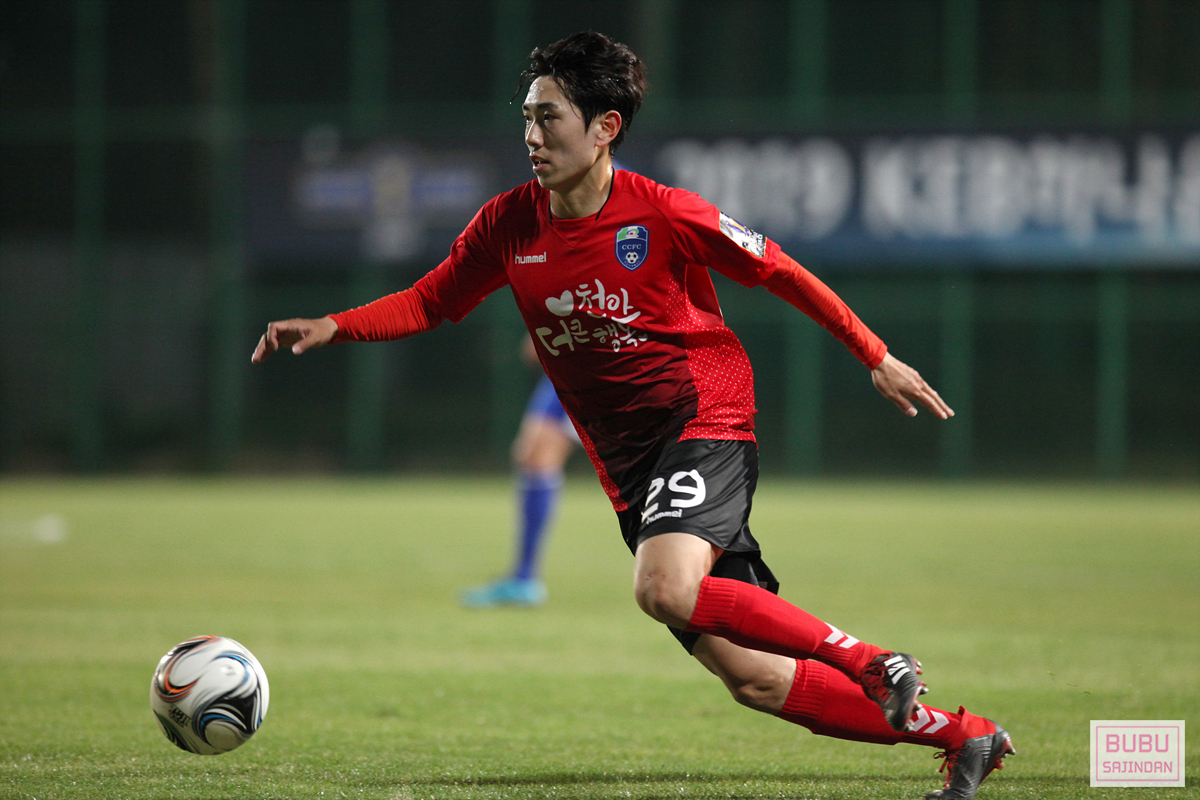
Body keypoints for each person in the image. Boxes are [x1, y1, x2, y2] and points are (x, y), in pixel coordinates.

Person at [252, 31, 1014, 799]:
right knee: (753, 677)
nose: (531, 136)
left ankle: (871, 661)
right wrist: (334, 324)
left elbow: (779, 269)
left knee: (663, 590)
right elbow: (431, 300)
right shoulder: (509, 223)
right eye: (527, 118)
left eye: (550, 118)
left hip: (703, 417)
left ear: (604, 128)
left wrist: (874, 353)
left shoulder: (666, 213)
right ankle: (964, 735)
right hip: (630, 466)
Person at [461, 351, 578, 607]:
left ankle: (524, 578)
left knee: (537, 456)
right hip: (576, 358)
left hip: (599, 353)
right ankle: (523, 578)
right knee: (535, 456)